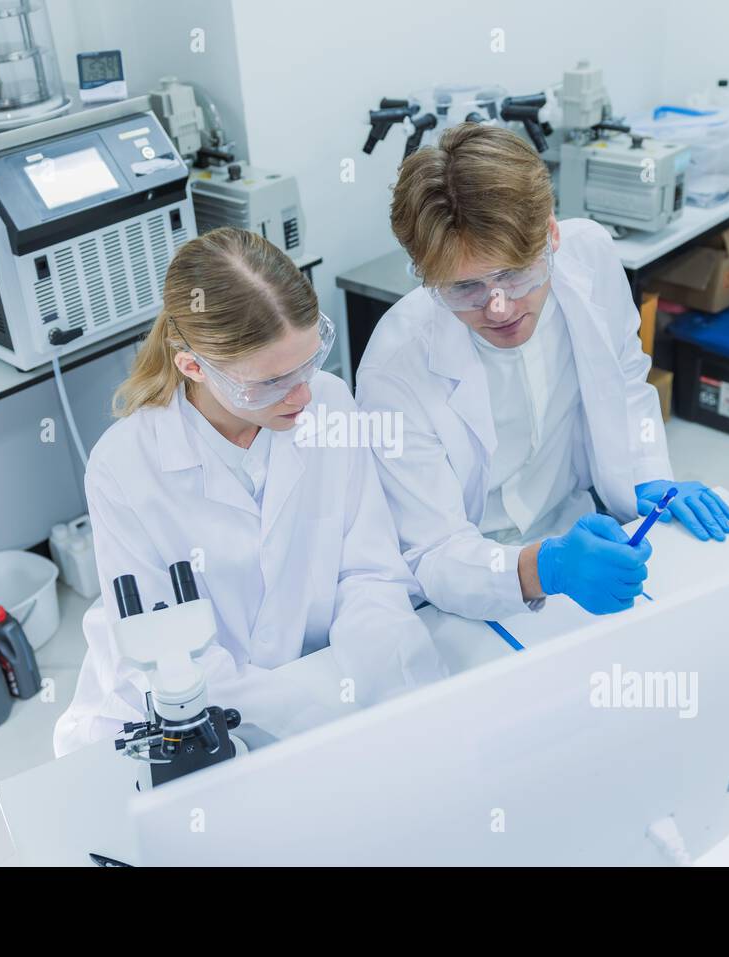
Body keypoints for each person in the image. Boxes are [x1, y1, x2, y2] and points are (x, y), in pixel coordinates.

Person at [55, 228, 445, 756]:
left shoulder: (327, 404)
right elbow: (176, 661)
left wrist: (401, 691)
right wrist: (312, 723)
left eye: (310, 361)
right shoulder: (123, 468)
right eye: (271, 382)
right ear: (193, 366)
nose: (303, 394)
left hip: (318, 681)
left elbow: (367, 571)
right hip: (191, 716)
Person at [355, 124, 729, 623]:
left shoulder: (591, 256)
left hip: (579, 533)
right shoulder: (394, 368)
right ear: (424, 276)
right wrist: (545, 568)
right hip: (475, 582)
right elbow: (434, 550)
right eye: (465, 288)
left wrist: (648, 476)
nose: (498, 308)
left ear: (552, 234)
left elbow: (624, 380)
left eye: (515, 274)